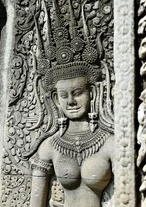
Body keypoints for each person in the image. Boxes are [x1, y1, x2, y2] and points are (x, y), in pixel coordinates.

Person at [29, 61, 114, 207]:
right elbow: (36, 204)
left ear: (91, 93)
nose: (71, 102)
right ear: (56, 99)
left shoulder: (110, 143)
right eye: (64, 95)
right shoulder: (49, 147)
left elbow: (127, 195)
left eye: (78, 93)